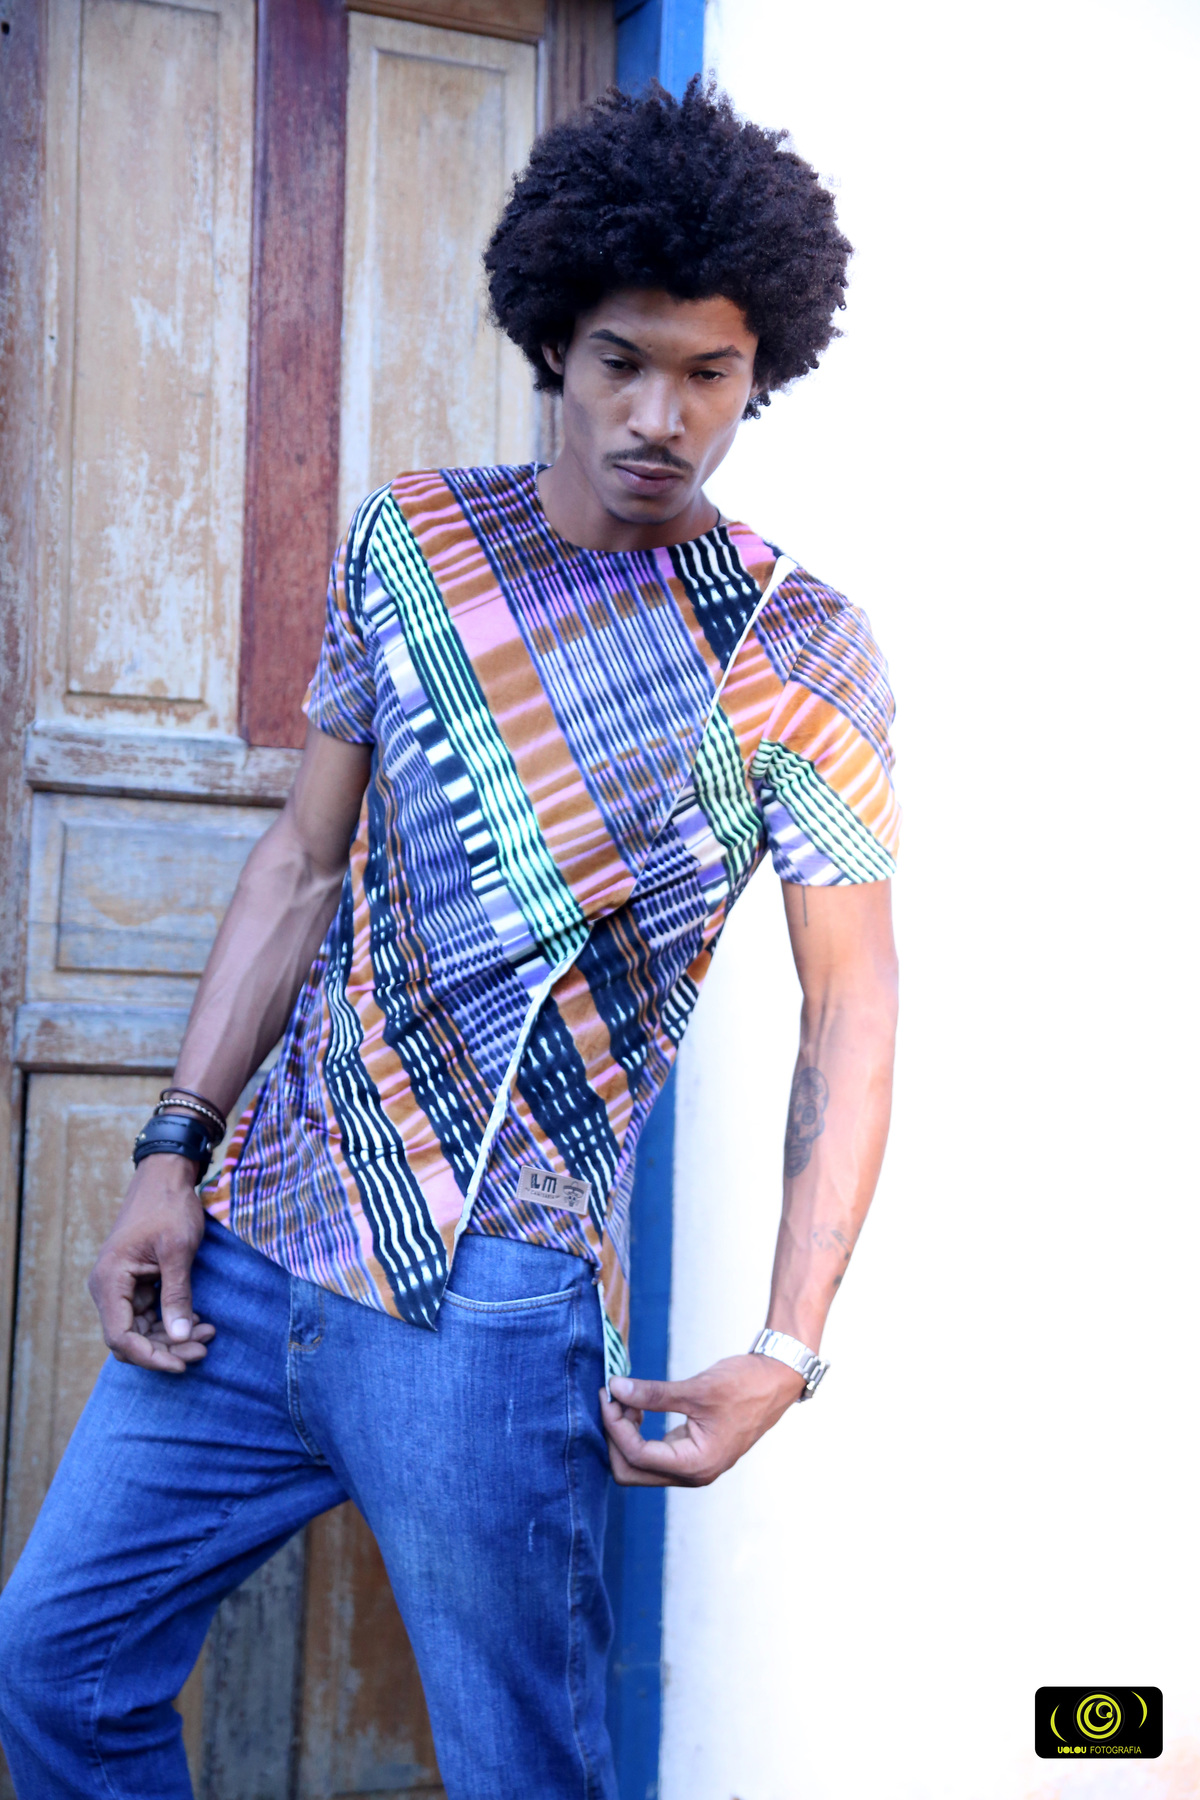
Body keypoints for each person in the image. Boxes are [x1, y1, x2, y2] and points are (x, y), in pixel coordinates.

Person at [0, 79, 899, 1799]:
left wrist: (787, 1349)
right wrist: (172, 1151)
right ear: (554, 341)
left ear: (760, 371)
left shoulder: (798, 647)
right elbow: (301, 859)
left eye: (711, 375)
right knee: (57, 1659)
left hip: (487, 1302)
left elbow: (850, 1008)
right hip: (259, 1239)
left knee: (516, 1771)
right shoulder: (411, 541)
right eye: (623, 360)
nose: (663, 417)